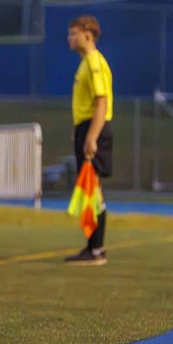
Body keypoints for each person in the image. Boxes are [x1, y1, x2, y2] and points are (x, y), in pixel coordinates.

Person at [64, 15, 114, 266]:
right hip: (85, 127)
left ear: (88, 34)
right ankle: (91, 246)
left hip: (94, 129)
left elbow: (101, 104)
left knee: (94, 190)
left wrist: (91, 137)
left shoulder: (94, 62)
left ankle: (97, 250)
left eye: (74, 33)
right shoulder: (85, 62)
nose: (70, 38)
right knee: (89, 189)